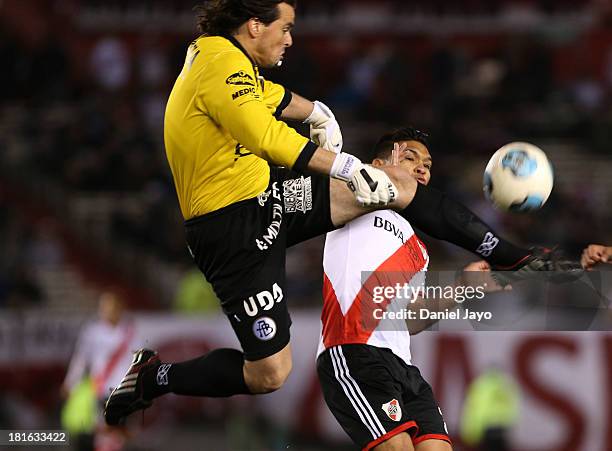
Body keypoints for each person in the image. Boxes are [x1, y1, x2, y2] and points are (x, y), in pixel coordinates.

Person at [104, 1, 579, 426]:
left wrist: (318, 111)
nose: (290, 39)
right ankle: (155, 378)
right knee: (270, 373)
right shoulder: (218, 61)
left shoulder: (232, 66)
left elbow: (271, 98)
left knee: (393, 186)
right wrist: (349, 166)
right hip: (229, 229)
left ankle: (509, 253)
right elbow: (264, 135)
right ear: (254, 25)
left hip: (268, 198)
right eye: (284, 27)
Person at [317, 127, 508, 451]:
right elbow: (327, 172)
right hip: (353, 351)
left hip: (402, 366)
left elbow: (409, 319)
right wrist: (377, 174)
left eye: (428, 164)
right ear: (377, 164)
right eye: (410, 157)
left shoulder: (419, 249)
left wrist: (462, 288)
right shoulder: (352, 200)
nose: (422, 168)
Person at [63, 291, 135, 451]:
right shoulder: (92, 331)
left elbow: (136, 362)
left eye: (111, 306)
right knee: (103, 432)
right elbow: (81, 359)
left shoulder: (129, 332)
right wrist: (70, 382)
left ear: (120, 308)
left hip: (124, 392)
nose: (107, 310)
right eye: (104, 307)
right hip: (101, 389)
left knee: (118, 434)